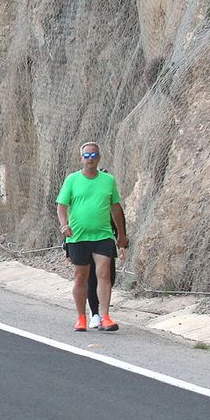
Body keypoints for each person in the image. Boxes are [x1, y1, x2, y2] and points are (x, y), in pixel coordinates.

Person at [56, 140, 128, 332]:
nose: (90, 159)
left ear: (99, 158)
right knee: (81, 277)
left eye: (94, 155)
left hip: (103, 235)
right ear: (81, 158)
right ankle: (82, 317)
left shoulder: (108, 180)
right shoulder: (72, 180)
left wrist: (121, 234)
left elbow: (116, 208)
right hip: (78, 236)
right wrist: (64, 225)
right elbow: (61, 205)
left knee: (104, 274)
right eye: (86, 156)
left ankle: (105, 316)